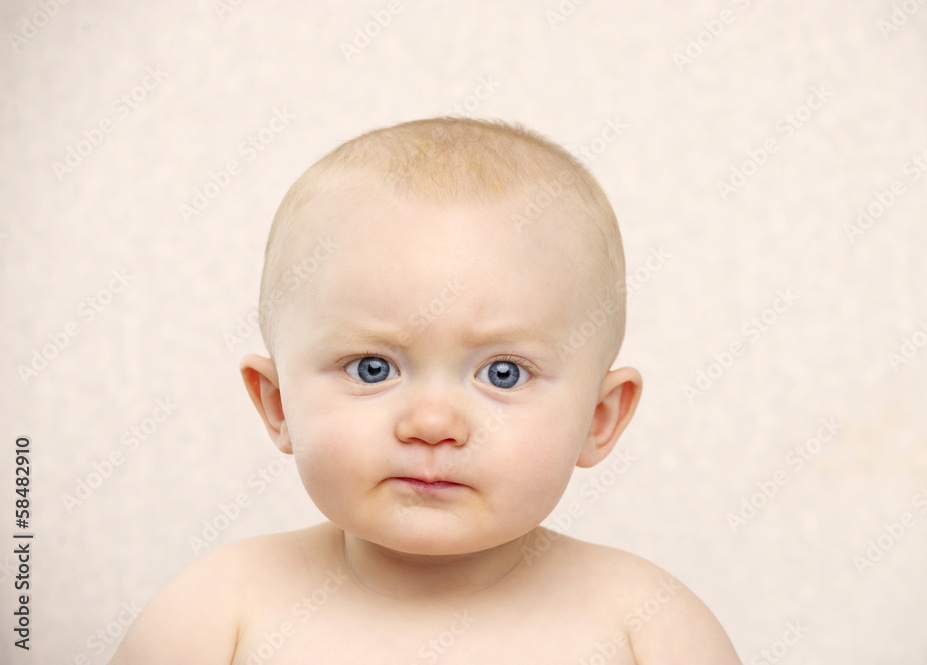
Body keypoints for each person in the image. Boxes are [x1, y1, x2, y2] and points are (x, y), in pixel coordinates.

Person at [109, 117, 741, 664]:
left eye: (503, 373)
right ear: (277, 405)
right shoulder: (216, 614)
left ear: (599, 419)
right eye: (371, 368)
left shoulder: (647, 627)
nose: (433, 422)